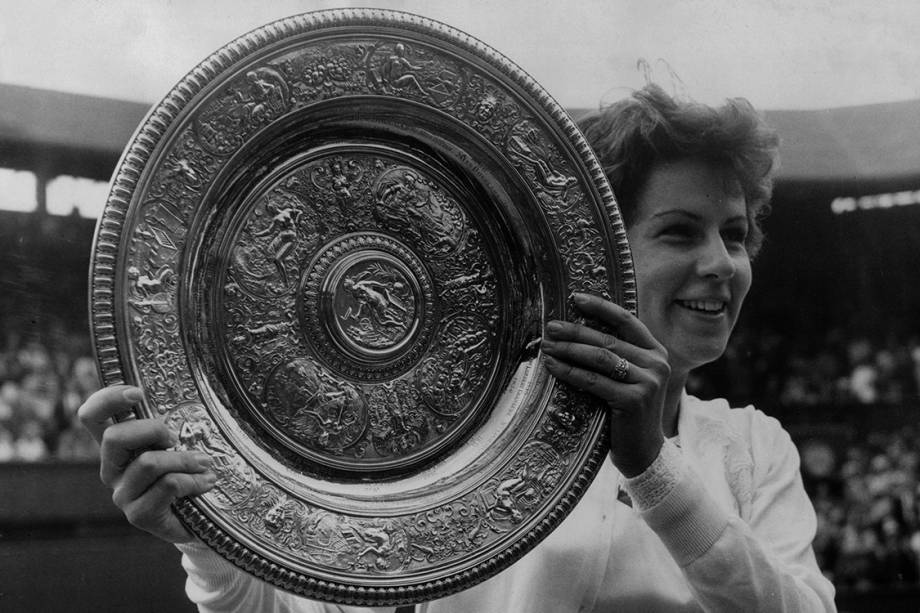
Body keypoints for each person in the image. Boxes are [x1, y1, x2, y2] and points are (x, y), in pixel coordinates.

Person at [78, 84, 836, 612]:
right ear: (597, 249)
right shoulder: (464, 438)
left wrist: (653, 465)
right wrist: (207, 539)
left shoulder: (752, 446)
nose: (721, 263)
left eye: (735, 235)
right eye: (681, 231)